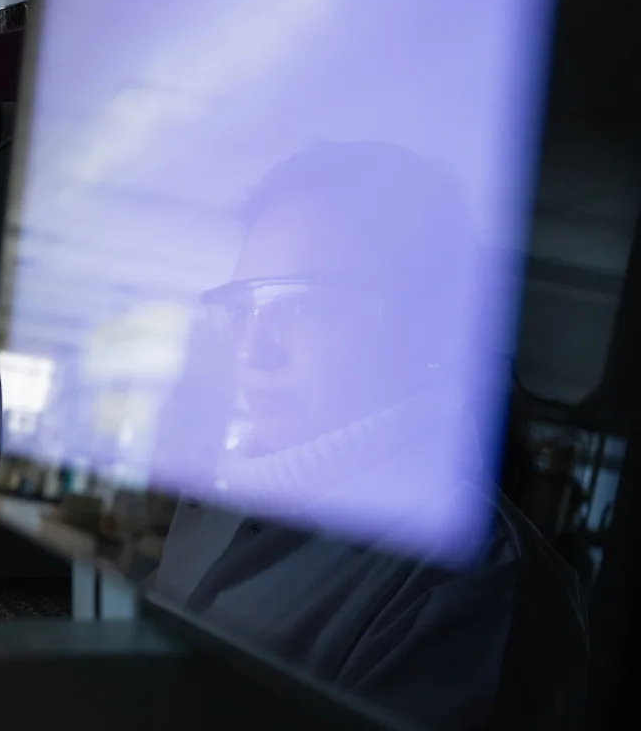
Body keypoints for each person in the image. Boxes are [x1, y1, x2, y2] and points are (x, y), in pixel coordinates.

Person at [154, 141, 587, 729]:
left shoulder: (471, 580)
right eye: (244, 309)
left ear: (427, 326)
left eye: (304, 308)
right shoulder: (217, 498)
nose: (256, 352)